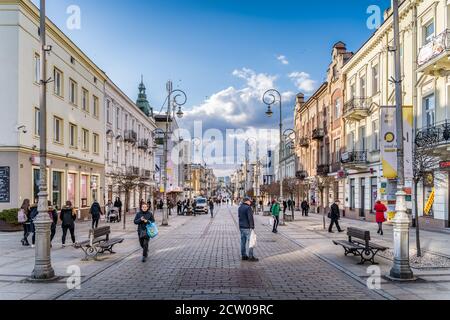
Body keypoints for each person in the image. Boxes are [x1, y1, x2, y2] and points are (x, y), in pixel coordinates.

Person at [238, 197, 258, 262]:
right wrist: (252, 227)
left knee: (243, 242)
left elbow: (239, 216)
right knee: (251, 242)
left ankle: (243, 255)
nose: (250, 202)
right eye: (249, 201)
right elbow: (250, 218)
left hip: (241, 227)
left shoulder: (240, 207)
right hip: (247, 227)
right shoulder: (248, 208)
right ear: (246, 201)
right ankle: (250, 256)